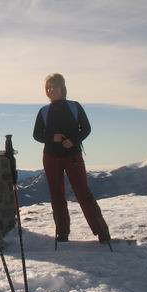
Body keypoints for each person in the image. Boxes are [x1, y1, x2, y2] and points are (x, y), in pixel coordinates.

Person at [33, 73, 110, 243]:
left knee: (83, 192)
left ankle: (102, 231)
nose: (51, 90)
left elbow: (86, 128)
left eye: (54, 87)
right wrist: (52, 138)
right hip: (51, 157)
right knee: (56, 194)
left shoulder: (74, 107)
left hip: (72, 155)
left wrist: (73, 141)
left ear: (62, 88)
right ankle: (62, 233)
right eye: (48, 87)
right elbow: (37, 134)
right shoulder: (44, 111)